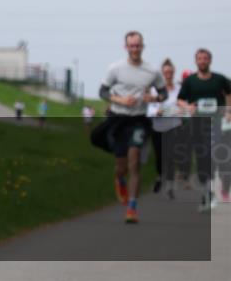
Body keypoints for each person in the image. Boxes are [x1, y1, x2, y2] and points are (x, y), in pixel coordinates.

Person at [99, 31, 167, 224]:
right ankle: (119, 179)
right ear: (126, 47)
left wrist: (154, 98)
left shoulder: (152, 71)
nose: (135, 49)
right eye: (132, 46)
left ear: (142, 47)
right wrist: (119, 99)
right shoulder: (116, 68)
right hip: (119, 119)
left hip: (139, 120)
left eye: (138, 46)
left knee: (134, 161)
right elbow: (102, 91)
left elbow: (163, 93)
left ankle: (132, 207)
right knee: (121, 167)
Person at [176, 48, 231, 211]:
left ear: (210, 60)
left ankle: (214, 190)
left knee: (215, 155)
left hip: (217, 123)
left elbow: (229, 93)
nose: (202, 61)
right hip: (197, 125)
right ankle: (207, 193)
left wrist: (228, 110)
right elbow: (180, 100)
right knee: (201, 160)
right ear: (196, 61)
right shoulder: (190, 81)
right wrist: (187, 106)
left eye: (205, 58)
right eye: (199, 59)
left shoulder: (219, 79)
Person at [147, 58, 182, 198]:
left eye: (170, 72)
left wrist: (173, 111)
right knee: (160, 157)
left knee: (171, 157)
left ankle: (169, 186)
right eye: (165, 72)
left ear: (173, 73)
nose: (168, 74)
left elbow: (183, 108)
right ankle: (160, 177)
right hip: (157, 126)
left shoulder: (179, 89)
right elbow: (149, 110)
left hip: (174, 126)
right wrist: (157, 112)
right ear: (161, 74)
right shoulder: (154, 90)